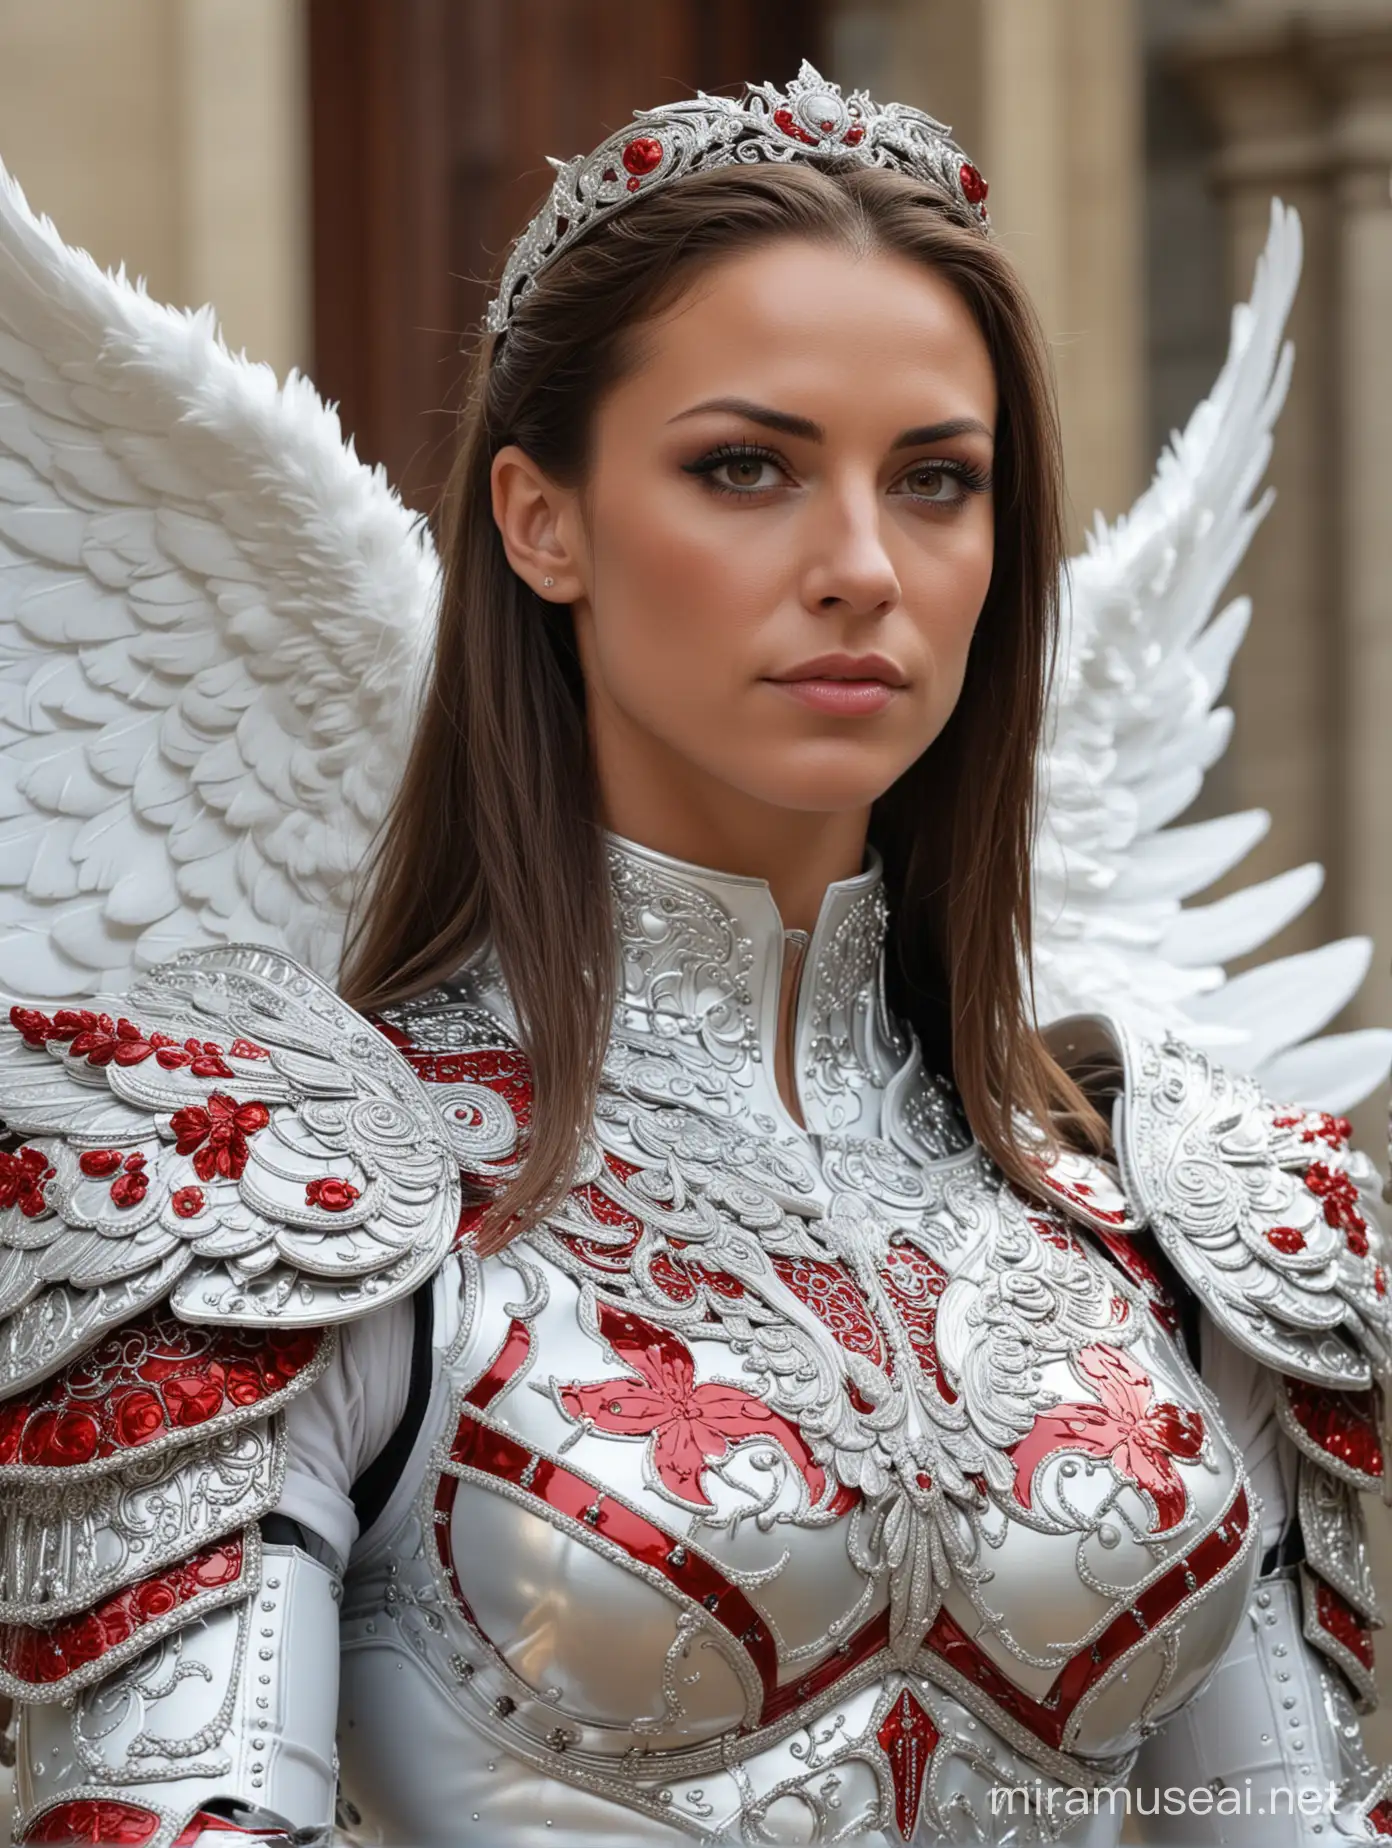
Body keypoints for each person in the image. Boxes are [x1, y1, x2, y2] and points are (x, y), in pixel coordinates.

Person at [0, 61, 1387, 1848]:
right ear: (539, 520)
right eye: (747, 469)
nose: (862, 567)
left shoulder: (1181, 1227)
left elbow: (1283, 1821)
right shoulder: (290, 1199)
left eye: (940, 482)